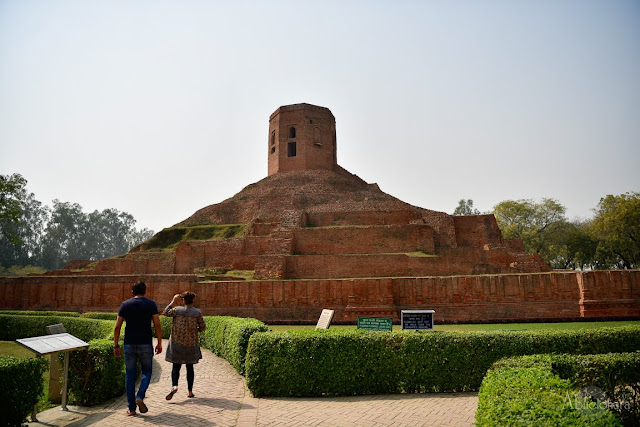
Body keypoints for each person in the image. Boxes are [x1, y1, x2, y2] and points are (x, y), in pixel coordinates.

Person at [113, 281, 163, 416]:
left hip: (129, 344)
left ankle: (132, 408)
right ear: (145, 291)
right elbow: (157, 324)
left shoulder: (125, 305)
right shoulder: (151, 304)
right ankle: (140, 395)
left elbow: (117, 326)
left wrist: (116, 345)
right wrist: (159, 342)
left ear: (132, 292)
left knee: (130, 375)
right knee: (146, 372)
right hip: (145, 343)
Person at [163, 291, 206, 400]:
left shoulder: (177, 310)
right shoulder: (197, 312)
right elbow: (203, 327)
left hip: (176, 343)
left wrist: (173, 301)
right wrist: (194, 330)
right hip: (191, 344)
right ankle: (190, 391)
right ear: (193, 300)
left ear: (183, 300)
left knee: (176, 367)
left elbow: (165, 312)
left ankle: (174, 386)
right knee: (189, 367)